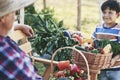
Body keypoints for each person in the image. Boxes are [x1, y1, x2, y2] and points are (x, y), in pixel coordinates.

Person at [0, 0, 43, 79]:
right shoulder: (5, 52)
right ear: (3, 17)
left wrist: (18, 26)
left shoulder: (4, 38)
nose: (15, 17)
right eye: (13, 12)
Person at [92, 0, 120, 80]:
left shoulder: (118, 29)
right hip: (101, 68)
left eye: (110, 12)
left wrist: (114, 59)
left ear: (118, 15)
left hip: (116, 69)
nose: (106, 15)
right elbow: (92, 42)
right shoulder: (98, 28)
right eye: (104, 12)